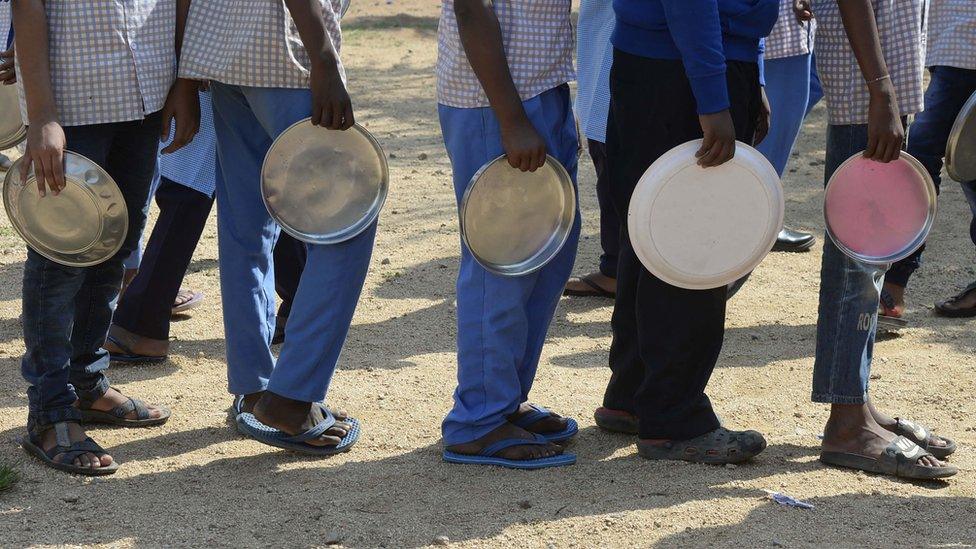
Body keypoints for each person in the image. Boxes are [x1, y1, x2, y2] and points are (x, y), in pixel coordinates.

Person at [13, 0, 197, 475]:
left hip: (145, 94)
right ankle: (50, 411)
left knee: (114, 246)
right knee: (59, 263)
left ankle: (87, 383)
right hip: (70, 106)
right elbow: (26, 8)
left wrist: (181, 82)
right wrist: (42, 115)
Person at [179, 0, 369, 455]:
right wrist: (323, 58)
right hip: (287, 57)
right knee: (347, 225)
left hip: (226, 53)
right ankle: (290, 398)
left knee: (247, 227)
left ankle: (255, 388)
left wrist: (185, 70)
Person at [594, 0, 775, 464]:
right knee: (695, 247)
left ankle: (634, 394)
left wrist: (749, 75)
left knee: (651, 232)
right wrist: (714, 98)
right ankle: (675, 418)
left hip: (668, 65)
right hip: (685, 72)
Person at [804, 0, 957, 479]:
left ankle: (858, 403)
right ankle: (847, 423)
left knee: (872, 259)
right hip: (865, 87)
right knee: (857, 257)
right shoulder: (873, 91)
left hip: (883, 79)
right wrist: (880, 89)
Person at [438, 0, 580, 469]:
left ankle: (503, 400)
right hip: (494, 103)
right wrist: (511, 119)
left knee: (547, 254)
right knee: (498, 266)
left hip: (542, 87)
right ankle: (477, 421)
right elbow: (471, 9)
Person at [103, 92, 308, 363]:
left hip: (230, 67)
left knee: (192, 180)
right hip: (233, 68)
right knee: (256, 171)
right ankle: (303, 302)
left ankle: (141, 321)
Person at [883, 1, 976, 321]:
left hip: (964, 46)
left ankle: (893, 282)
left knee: (921, 154)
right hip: (947, 40)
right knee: (969, 163)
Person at [755, 0, 822, 253]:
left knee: (809, 86)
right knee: (773, 123)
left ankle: (760, 213)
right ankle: (759, 218)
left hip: (788, 26)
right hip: (782, 27)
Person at [562, 0, 617, 299]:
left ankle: (624, 270)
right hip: (604, 49)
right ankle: (616, 268)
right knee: (607, 163)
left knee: (620, 171)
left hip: (633, 56)